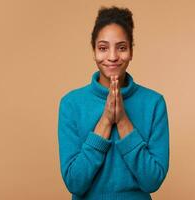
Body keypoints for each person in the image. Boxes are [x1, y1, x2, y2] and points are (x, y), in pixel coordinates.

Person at [58, 6, 170, 200]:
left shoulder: (154, 103)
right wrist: (106, 121)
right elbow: (74, 183)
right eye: (103, 48)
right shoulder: (71, 104)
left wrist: (123, 120)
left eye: (121, 47)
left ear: (131, 52)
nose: (112, 57)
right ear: (93, 51)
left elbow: (152, 181)